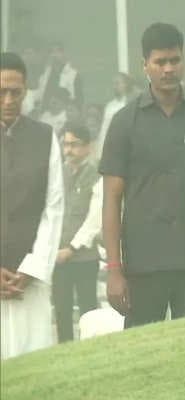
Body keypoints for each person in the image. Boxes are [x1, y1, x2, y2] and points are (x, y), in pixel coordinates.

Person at [99, 22, 185, 328]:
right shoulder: (124, 123)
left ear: (183, 60)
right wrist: (114, 270)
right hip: (143, 266)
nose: (168, 69)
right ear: (145, 65)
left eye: (175, 60)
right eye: (160, 62)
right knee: (142, 351)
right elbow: (111, 200)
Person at [1, 52, 64, 359]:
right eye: (2, 92)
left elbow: (54, 207)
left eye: (16, 92)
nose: (8, 100)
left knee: (32, 365)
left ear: (26, 90)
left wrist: (33, 267)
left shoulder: (44, 137)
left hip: (29, 280)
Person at [53, 122, 102, 342]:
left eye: (74, 144)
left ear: (88, 147)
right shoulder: (56, 174)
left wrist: (71, 248)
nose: (68, 150)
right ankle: (64, 352)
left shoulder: (97, 175)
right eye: (65, 144)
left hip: (84, 257)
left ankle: (88, 354)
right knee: (61, 311)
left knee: (87, 312)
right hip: (57, 257)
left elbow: (95, 220)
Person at [95, 72, 138, 159]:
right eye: (113, 84)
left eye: (117, 83)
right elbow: (104, 129)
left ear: (125, 85)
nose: (115, 86)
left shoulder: (132, 105)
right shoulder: (109, 106)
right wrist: (100, 152)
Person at [36, 42, 84, 109]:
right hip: (46, 112)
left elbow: (79, 99)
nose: (54, 55)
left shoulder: (74, 74)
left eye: (58, 51)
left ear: (64, 53)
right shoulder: (44, 75)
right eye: (51, 52)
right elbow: (40, 96)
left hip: (65, 112)